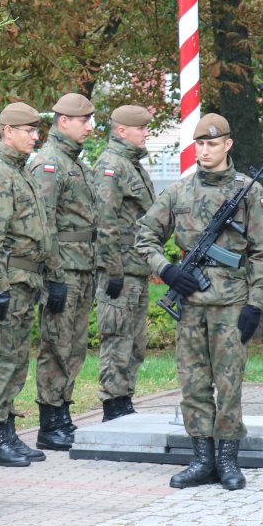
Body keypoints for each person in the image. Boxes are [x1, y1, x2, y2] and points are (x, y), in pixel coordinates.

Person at [135, 113, 263, 491]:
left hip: (232, 304)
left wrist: (255, 304)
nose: (205, 150)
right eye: (200, 144)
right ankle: (202, 460)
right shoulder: (178, 192)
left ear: (228, 145)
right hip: (191, 302)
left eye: (213, 144)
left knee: (229, 384)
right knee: (193, 383)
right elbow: (144, 235)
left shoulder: (249, 192)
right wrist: (166, 270)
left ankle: (227, 460)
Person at [0, 101, 64, 467]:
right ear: (7, 131)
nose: (35, 137)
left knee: (16, 361)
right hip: (5, 283)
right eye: (29, 130)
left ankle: (7, 433)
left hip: (24, 282)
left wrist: (51, 275)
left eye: (37, 130)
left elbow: (39, 232)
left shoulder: (18, 172)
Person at [28, 92, 96, 450]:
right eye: (84, 121)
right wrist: (53, 276)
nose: (90, 128)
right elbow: (44, 225)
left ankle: (63, 413)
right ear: (64, 122)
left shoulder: (74, 163)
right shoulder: (49, 164)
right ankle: (50, 421)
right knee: (56, 344)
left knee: (75, 345)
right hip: (63, 269)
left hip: (81, 266)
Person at [92, 104, 156, 420]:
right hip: (120, 269)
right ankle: (113, 405)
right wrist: (113, 269)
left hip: (136, 266)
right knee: (117, 338)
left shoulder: (133, 165)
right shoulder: (111, 166)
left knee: (135, 342)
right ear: (122, 131)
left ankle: (125, 400)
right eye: (141, 128)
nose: (146, 133)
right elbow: (104, 221)